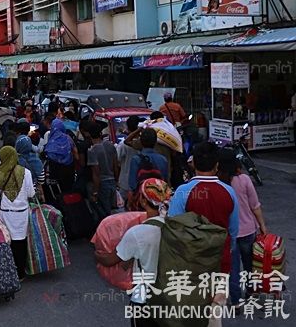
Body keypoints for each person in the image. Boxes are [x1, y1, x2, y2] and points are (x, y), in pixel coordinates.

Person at [95, 178, 172, 327]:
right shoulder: (175, 227)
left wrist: (97, 254)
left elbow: (110, 260)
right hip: (170, 297)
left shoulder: (137, 233)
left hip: (143, 300)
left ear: (143, 201)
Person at [168, 142, 239, 274]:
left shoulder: (183, 191)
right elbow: (233, 229)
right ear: (217, 165)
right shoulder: (229, 191)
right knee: (219, 293)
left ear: (193, 163)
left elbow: (174, 227)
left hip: (192, 259)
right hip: (220, 257)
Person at [217, 150, 267, 305]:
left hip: (229, 233)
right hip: (248, 231)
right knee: (250, 264)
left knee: (232, 270)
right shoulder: (244, 180)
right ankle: (251, 292)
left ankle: (236, 300)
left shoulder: (219, 184)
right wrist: (263, 227)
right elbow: (255, 206)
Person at [0, 146, 35, 280]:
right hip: (22, 214)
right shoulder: (26, 172)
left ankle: (7, 272)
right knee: (20, 244)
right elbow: (31, 193)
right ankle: (20, 274)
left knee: (5, 243)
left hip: (5, 214)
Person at [86, 123, 119, 220]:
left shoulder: (92, 151)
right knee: (114, 211)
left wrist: (95, 192)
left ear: (89, 135)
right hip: (113, 182)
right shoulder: (110, 145)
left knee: (106, 214)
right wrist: (116, 181)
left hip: (102, 185)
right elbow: (116, 165)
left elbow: (96, 174)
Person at [127, 128, 168, 194]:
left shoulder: (136, 159)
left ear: (141, 141)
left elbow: (132, 185)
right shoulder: (163, 160)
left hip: (142, 198)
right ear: (155, 142)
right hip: (159, 197)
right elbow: (165, 181)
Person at [44, 118, 78, 193]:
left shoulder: (51, 138)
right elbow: (75, 152)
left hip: (55, 170)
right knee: (68, 189)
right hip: (69, 168)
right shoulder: (68, 138)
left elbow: (47, 152)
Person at [117, 116, 140, 202]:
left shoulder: (123, 145)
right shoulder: (144, 143)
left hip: (125, 183)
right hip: (140, 182)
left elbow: (117, 161)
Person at [15, 135, 45, 201]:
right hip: (33, 196)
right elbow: (41, 181)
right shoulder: (37, 161)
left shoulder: (13, 161)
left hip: (16, 197)